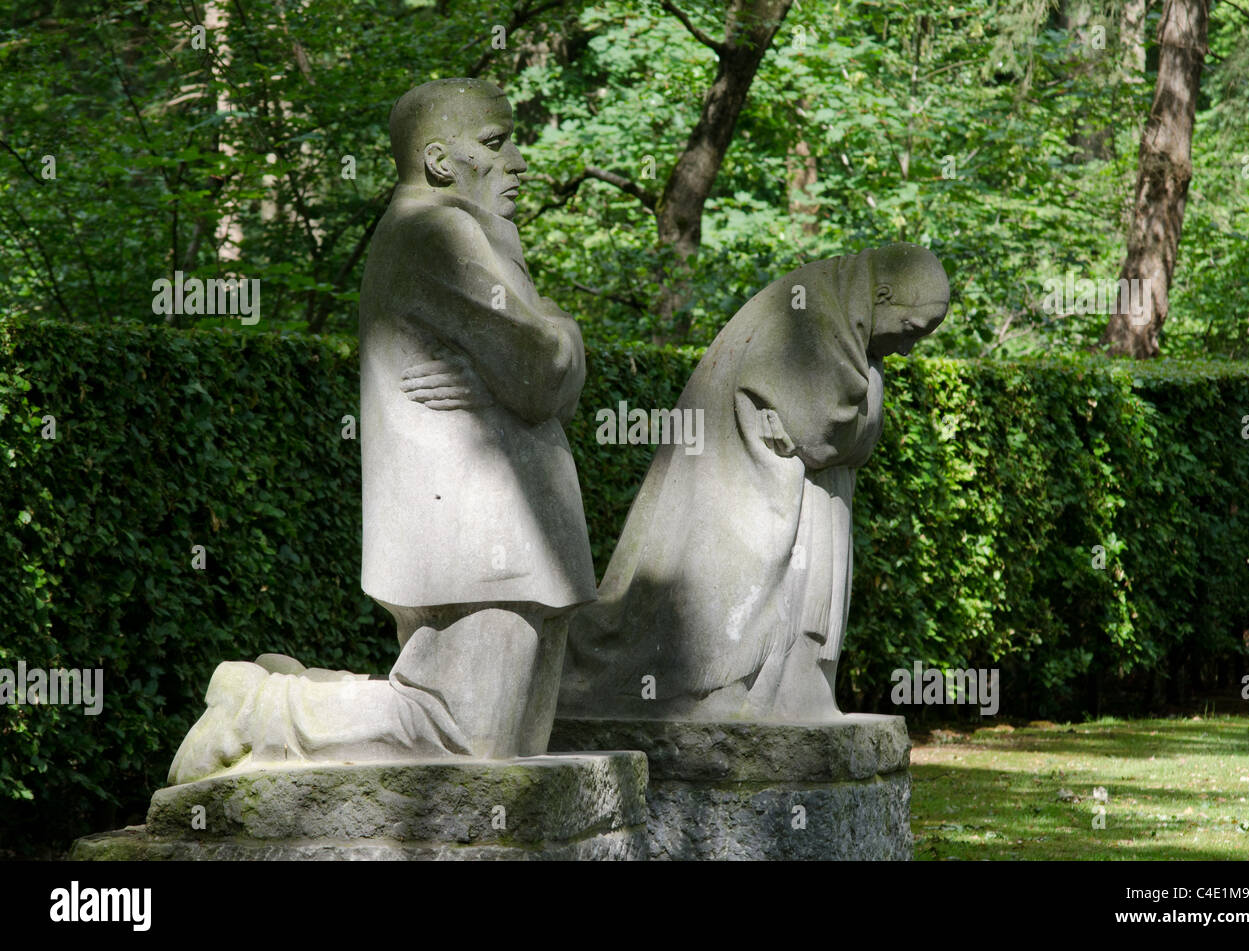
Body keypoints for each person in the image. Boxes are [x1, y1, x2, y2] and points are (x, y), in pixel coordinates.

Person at [169, 79, 595, 783]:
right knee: (463, 738)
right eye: (496, 143)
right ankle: (263, 708)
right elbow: (541, 372)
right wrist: (551, 344)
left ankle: (285, 690)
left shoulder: (479, 235)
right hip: (477, 545)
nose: (519, 161)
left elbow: (543, 372)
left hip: (519, 541)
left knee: (503, 751)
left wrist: (549, 344)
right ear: (438, 160)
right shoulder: (435, 229)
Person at [559, 243, 949, 722]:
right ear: (883, 295)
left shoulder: (838, 314)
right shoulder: (812, 313)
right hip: (740, 498)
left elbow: (841, 436)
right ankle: (727, 691)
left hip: (791, 495)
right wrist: (861, 411)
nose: (909, 348)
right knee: (719, 605)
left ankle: (793, 691)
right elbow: (820, 433)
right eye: (911, 330)